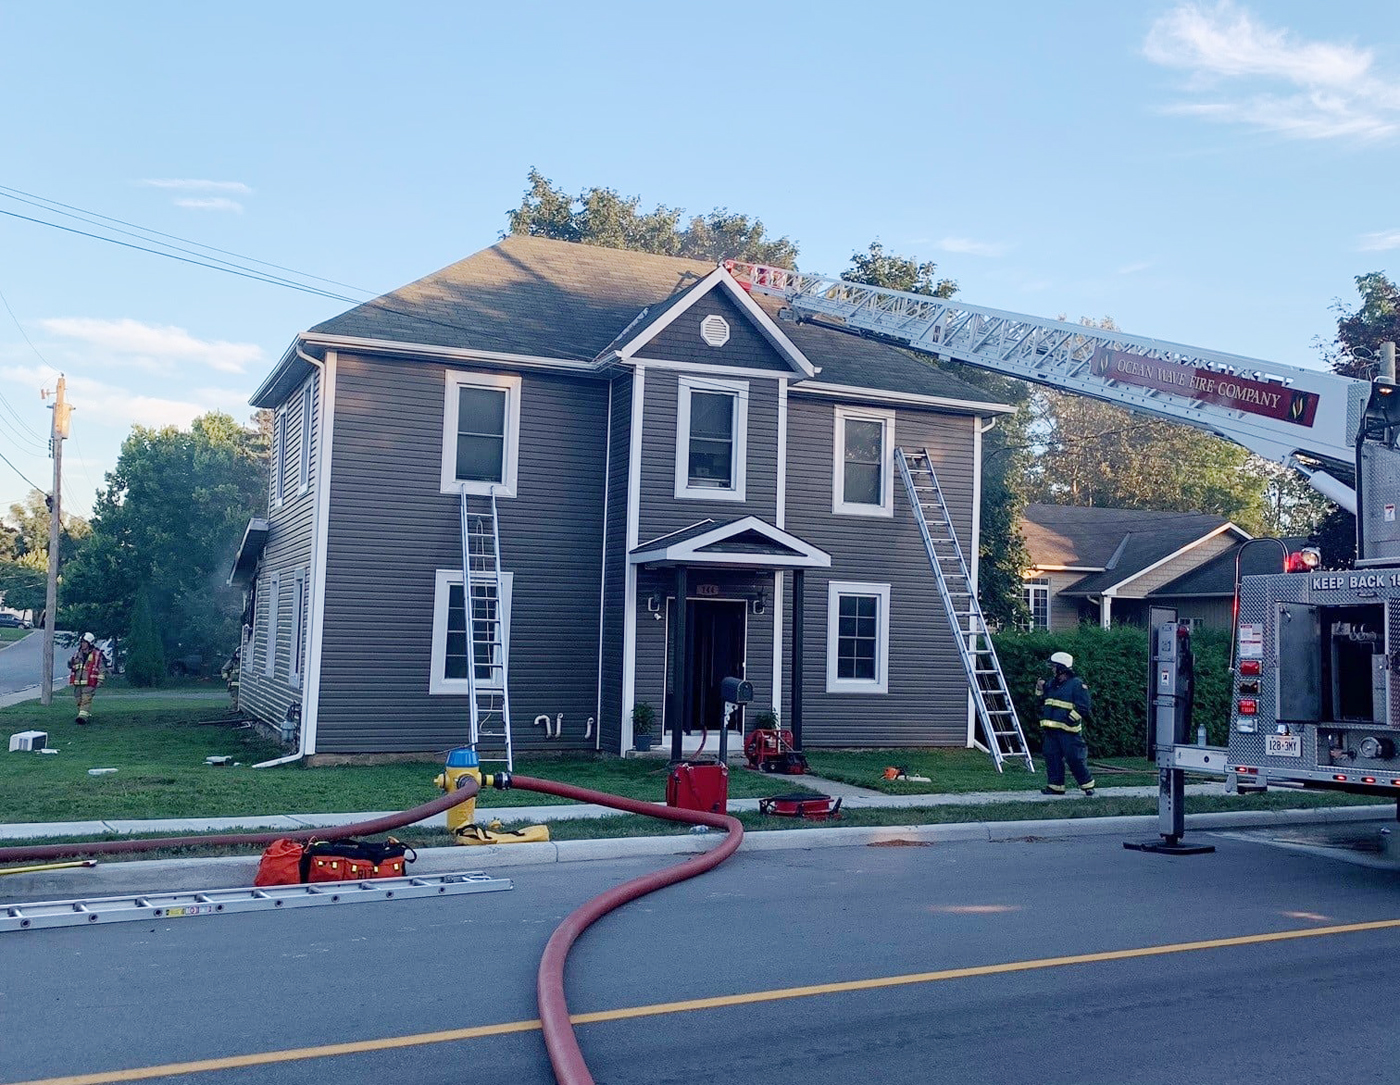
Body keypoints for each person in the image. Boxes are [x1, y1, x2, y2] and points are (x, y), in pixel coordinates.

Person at [1035, 650, 1095, 796]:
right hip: (1051, 731)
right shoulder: (1051, 684)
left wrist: (1069, 720)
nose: (1052, 669)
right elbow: (1041, 702)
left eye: (1054, 667)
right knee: (1052, 757)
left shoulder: (1077, 685)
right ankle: (1056, 786)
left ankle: (1087, 785)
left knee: (1075, 759)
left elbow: (1084, 707)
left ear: (1062, 668)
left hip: (1069, 732)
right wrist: (1039, 689)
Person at [68, 632, 107, 725]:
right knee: (79, 700)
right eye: (81, 642)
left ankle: (82, 718)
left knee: (86, 700)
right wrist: (70, 662)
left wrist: (100, 680)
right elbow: (72, 666)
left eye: (84, 642)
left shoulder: (96, 655)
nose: (82, 644)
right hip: (78, 683)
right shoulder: (77, 654)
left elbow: (101, 668)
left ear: (90, 643)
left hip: (90, 682)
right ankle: (84, 713)